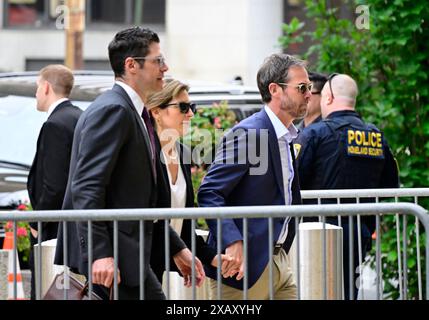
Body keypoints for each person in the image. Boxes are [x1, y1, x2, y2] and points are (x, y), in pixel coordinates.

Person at [54, 27, 204, 300]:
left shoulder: (135, 112)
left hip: (129, 257)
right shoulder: (115, 110)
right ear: (131, 65)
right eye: (158, 61)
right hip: (113, 260)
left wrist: (176, 247)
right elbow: (87, 187)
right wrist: (99, 254)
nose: (165, 67)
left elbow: (143, 199)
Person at [198, 53, 311, 299]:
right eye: (302, 87)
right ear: (275, 90)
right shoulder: (250, 133)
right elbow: (210, 192)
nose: (309, 94)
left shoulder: (287, 136)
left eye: (309, 87)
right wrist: (232, 240)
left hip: (279, 261)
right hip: (243, 269)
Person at [293, 73, 399, 299]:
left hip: (317, 234)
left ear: (328, 97)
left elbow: (292, 181)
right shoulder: (376, 136)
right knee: (348, 290)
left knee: (314, 290)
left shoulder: (315, 133)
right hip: (359, 232)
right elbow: (391, 184)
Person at [146, 79, 231, 287]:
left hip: (159, 266)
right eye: (183, 107)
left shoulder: (182, 153)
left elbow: (183, 227)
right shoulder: (146, 152)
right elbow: (150, 218)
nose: (191, 114)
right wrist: (179, 252)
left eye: (191, 107)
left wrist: (212, 257)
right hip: (137, 263)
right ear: (156, 111)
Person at [27, 64, 82, 299]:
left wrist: (38, 219)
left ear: (47, 87)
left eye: (38, 87)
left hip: (55, 229)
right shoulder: (79, 116)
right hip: (75, 223)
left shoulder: (55, 124)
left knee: (49, 289)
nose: (36, 93)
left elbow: (55, 183)